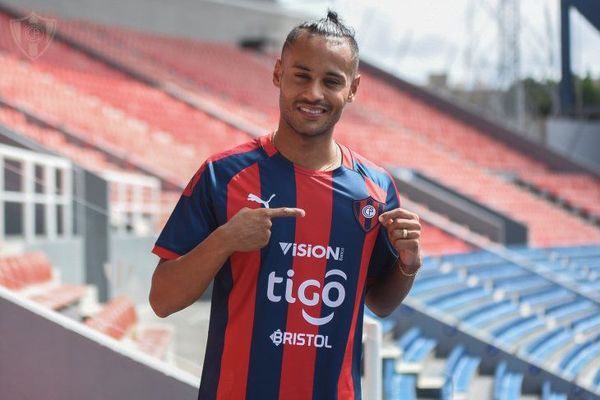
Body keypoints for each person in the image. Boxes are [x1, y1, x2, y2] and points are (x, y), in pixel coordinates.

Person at [149, 10, 422, 400]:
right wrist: (225, 239)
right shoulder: (222, 175)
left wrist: (408, 265)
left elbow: (380, 302)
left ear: (353, 88)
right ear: (278, 73)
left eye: (331, 81)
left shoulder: (375, 189)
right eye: (301, 75)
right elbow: (162, 299)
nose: (313, 93)